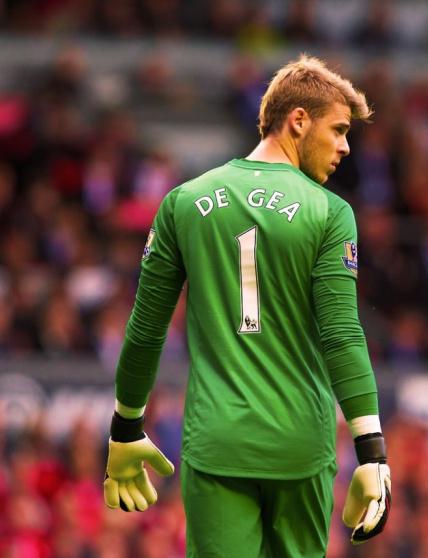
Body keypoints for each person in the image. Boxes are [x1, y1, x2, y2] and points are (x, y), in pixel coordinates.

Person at [102, 55, 391, 557]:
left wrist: (126, 428)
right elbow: (342, 334)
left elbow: (146, 329)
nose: (345, 146)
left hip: (217, 441)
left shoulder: (182, 202)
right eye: (339, 129)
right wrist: (372, 452)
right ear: (298, 120)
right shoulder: (330, 212)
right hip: (301, 445)